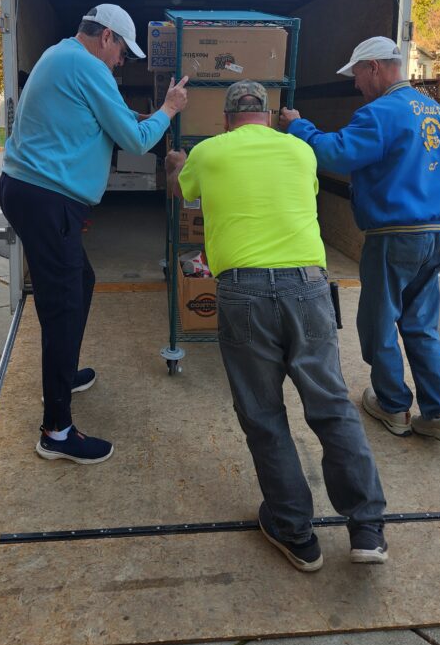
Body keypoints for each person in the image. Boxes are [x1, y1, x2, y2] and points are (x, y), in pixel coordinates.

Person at [166, 81, 387, 572]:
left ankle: (295, 533)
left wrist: (174, 166)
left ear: (227, 119)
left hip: (242, 291)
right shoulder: (301, 150)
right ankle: (366, 528)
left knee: (264, 415)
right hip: (309, 287)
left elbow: (184, 194)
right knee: (331, 406)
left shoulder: (209, 151)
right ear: (265, 116)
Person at [0, 4, 188, 465]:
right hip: (47, 200)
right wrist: (168, 108)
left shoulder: (59, 55)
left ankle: (64, 374)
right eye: (122, 50)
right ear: (106, 37)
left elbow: (99, 123)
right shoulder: (87, 66)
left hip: (32, 193)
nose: (122, 61)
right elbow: (136, 141)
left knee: (79, 284)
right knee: (63, 305)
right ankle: (57, 431)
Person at [279, 36, 440, 442]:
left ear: (375, 68)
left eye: (358, 74)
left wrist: (298, 126)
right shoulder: (432, 109)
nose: (356, 84)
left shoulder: (379, 113)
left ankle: (393, 406)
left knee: (378, 322)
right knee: (420, 324)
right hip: (435, 235)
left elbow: (335, 154)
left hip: (394, 235)